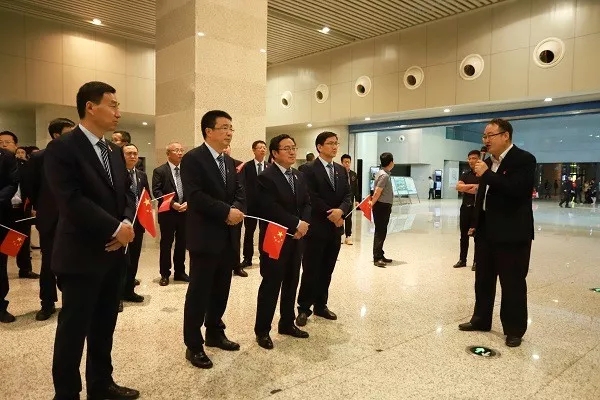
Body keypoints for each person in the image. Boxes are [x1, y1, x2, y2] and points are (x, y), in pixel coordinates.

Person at [45, 81, 139, 399]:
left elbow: (127, 192)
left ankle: (101, 383)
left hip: (113, 255)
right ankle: (67, 393)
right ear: (90, 106)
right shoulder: (63, 147)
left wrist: (125, 222)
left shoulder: (112, 151)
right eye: (113, 105)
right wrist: (115, 229)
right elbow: (70, 200)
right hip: (80, 255)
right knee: (73, 330)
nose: (118, 112)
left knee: (104, 325)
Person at [458, 118, 536, 348]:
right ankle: (481, 319)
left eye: (490, 135)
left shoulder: (524, 159)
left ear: (505, 135)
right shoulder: (487, 162)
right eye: (484, 136)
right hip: (486, 231)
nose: (486, 140)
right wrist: (475, 223)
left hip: (512, 233)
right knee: (483, 279)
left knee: (512, 282)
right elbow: (482, 196)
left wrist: (487, 175)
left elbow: (518, 190)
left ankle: (514, 329)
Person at [181, 110, 245, 369]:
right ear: (208, 131)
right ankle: (193, 345)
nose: (229, 132)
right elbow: (195, 196)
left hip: (227, 237)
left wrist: (236, 208)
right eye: (224, 127)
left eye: (231, 128)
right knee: (199, 292)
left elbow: (239, 192)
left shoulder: (228, 161)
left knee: (221, 288)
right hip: (205, 237)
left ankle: (215, 332)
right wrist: (226, 212)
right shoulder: (193, 159)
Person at [254, 134, 311, 350]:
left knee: (291, 281)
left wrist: (303, 224)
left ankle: (287, 323)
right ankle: (262, 330)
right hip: (276, 237)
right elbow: (269, 208)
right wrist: (296, 223)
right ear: (275, 153)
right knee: (271, 283)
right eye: (286, 148)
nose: (292, 152)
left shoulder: (298, 175)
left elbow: (307, 202)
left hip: (297, 238)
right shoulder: (266, 177)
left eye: (293, 147)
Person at [296, 131, 351, 326]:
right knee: (311, 269)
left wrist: (341, 211)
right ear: (319, 147)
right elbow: (310, 196)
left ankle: (321, 304)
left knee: (327, 269)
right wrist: (332, 213)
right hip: (316, 227)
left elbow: (348, 195)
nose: (335, 147)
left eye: (336, 143)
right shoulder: (308, 169)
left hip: (335, 229)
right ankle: (304, 308)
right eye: (330, 143)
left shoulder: (341, 170)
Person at [28, 117, 76, 321]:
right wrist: (42, 208)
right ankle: (47, 303)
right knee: (48, 263)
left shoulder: (78, 156)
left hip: (75, 218)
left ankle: (71, 301)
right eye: (69, 132)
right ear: (56, 135)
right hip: (49, 219)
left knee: (73, 261)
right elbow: (31, 187)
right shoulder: (39, 157)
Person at [0, 130, 38, 279]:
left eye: (7, 142)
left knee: (22, 238)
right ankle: (4, 270)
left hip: (21, 208)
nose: (3, 145)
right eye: (0, 142)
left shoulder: (25, 165)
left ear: (16, 145)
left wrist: (34, 206)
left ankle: (25, 269)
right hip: (4, 208)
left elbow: (33, 186)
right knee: (5, 240)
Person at [152, 142, 189, 286]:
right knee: (166, 244)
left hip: (184, 212)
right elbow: (157, 192)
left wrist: (188, 203)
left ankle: (180, 272)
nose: (180, 153)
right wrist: (172, 203)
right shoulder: (160, 171)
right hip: (168, 213)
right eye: (176, 150)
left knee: (182, 243)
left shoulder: (187, 170)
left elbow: (192, 189)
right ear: (168, 154)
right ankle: (165, 274)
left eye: (181, 150)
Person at [122, 144, 148, 303]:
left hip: (138, 222)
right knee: (122, 260)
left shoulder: (141, 175)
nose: (132, 156)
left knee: (134, 258)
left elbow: (146, 196)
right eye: (129, 153)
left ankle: (128, 290)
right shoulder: (117, 174)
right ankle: (116, 295)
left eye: (135, 153)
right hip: (122, 222)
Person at [238, 140, 268, 275]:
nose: (262, 150)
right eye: (259, 147)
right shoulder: (247, 166)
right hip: (250, 206)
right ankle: (247, 258)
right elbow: (242, 186)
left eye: (264, 147)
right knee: (249, 233)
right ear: (254, 150)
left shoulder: (270, 166)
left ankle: (264, 257)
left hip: (266, 207)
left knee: (264, 232)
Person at [0, 148, 19, 323]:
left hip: (1, 216)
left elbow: (12, 183)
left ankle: (0, 306)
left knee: (0, 264)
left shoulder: (6, 157)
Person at [453, 150, 480, 270]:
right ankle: (462, 260)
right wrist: (472, 187)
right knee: (463, 236)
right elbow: (458, 187)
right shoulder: (465, 174)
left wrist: (466, 187)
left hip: (478, 209)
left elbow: (478, 190)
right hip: (465, 208)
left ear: (479, 159)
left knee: (477, 237)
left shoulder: (483, 175)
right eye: (469, 158)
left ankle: (476, 262)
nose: (471, 161)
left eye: (474, 158)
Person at [370, 153, 395, 268]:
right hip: (382, 206)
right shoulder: (384, 175)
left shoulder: (382, 173)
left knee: (382, 231)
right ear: (390, 162)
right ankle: (377, 257)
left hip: (383, 205)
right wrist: (372, 203)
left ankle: (380, 254)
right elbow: (377, 191)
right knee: (380, 231)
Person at [340, 154, 359, 245]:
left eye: (348, 162)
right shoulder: (338, 173)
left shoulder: (353, 175)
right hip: (340, 200)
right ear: (342, 163)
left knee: (348, 218)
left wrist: (357, 200)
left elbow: (356, 188)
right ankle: (340, 235)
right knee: (340, 217)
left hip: (349, 201)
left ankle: (348, 236)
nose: (347, 164)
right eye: (345, 162)